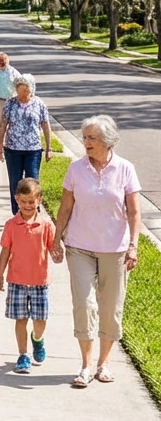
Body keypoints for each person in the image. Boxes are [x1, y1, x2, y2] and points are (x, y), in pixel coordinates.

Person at [51, 115, 142, 388]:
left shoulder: (125, 169)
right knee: (84, 305)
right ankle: (86, 365)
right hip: (79, 247)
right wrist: (56, 239)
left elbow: (134, 212)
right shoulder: (76, 169)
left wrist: (133, 246)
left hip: (115, 249)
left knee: (110, 307)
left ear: (107, 141)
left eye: (92, 138)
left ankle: (104, 363)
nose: (86, 142)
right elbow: (66, 207)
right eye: (85, 137)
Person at [0, 177, 57, 374]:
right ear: (16, 199)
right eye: (23, 201)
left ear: (39, 199)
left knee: (40, 320)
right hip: (17, 281)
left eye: (31, 201)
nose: (28, 205)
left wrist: (58, 254)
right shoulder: (11, 225)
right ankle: (23, 355)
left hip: (40, 281)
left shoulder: (46, 225)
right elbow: (5, 250)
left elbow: (53, 248)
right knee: (20, 319)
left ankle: (37, 339)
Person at [0, 73, 52, 215]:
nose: (22, 92)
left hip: (33, 149)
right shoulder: (10, 103)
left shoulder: (39, 104)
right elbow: (3, 124)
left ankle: (34, 213)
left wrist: (49, 147)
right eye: (19, 88)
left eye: (25, 89)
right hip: (13, 149)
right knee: (15, 183)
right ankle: (17, 214)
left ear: (31, 89)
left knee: (33, 181)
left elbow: (45, 125)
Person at [0, 52, 21, 126]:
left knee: (12, 123)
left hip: (11, 100)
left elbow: (21, 84)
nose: (1, 63)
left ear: (7, 61)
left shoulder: (13, 72)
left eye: (3, 61)